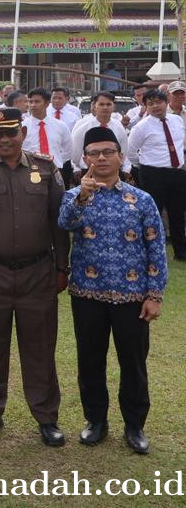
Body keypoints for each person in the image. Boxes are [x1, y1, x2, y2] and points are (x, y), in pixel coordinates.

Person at [0, 107, 68, 446]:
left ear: (23, 132)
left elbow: (59, 222)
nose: (5, 139)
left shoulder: (46, 168)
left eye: (11, 132)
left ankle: (46, 417)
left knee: (40, 346)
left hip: (37, 272)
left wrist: (62, 267)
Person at [58, 126, 165, 454]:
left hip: (132, 296)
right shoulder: (74, 196)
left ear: (121, 156)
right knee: (90, 360)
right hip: (87, 293)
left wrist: (154, 295)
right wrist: (82, 196)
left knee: (133, 363)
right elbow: (65, 223)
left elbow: (156, 248)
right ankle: (96, 421)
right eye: (94, 153)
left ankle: (134, 425)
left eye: (108, 152)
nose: (101, 158)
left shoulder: (141, 199)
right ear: (85, 158)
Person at [126, 88, 186, 261]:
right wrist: (145, 166)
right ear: (145, 106)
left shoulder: (176, 120)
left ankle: (180, 251)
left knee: (177, 213)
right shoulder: (141, 127)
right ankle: (150, 251)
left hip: (177, 173)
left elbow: (180, 144)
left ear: (166, 103)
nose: (155, 106)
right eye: (150, 104)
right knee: (153, 214)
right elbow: (131, 152)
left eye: (158, 102)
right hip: (153, 174)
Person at [70, 91, 131, 179]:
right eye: (101, 104)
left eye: (108, 104)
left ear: (114, 107)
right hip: (89, 172)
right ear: (94, 106)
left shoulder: (119, 127)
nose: (105, 107)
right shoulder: (83, 128)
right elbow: (75, 156)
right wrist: (78, 168)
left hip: (113, 172)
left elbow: (123, 153)